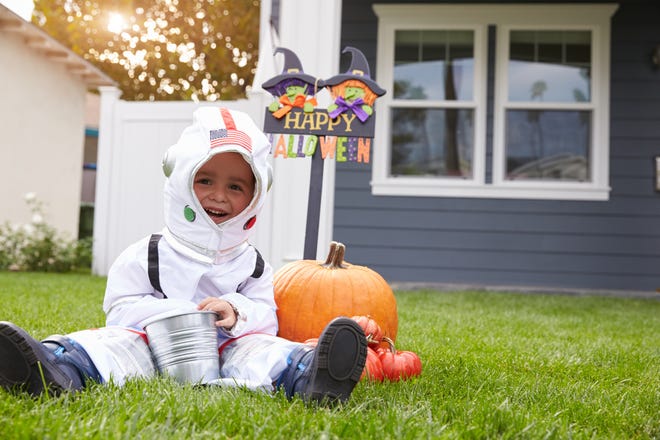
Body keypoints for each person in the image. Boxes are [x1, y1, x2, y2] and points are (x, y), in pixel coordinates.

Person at [0, 107, 367, 404]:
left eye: (236, 186)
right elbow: (120, 309)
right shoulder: (151, 253)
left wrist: (235, 311)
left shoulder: (252, 263)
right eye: (205, 180)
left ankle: (310, 376)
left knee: (265, 350)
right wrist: (177, 314)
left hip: (229, 348)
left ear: (256, 196)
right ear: (180, 180)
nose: (219, 195)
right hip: (154, 347)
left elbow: (267, 316)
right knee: (109, 345)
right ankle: (55, 367)